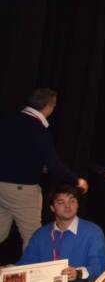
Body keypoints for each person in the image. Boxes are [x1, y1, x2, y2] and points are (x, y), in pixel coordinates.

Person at [0, 88, 88, 248]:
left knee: (1, 230)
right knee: (33, 237)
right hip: (21, 189)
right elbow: (54, 165)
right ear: (48, 107)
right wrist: (77, 181)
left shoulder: (8, 120)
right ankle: (33, 272)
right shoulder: (39, 130)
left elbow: (17, 152)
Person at [16, 185, 105, 282]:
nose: (68, 206)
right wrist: (7, 270)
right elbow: (27, 263)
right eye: (61, 202)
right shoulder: (41, 234)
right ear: (52, 207)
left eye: (72, 201)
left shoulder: (93, 231)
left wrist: (77, 273)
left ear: (78, 204)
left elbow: (98, 266)